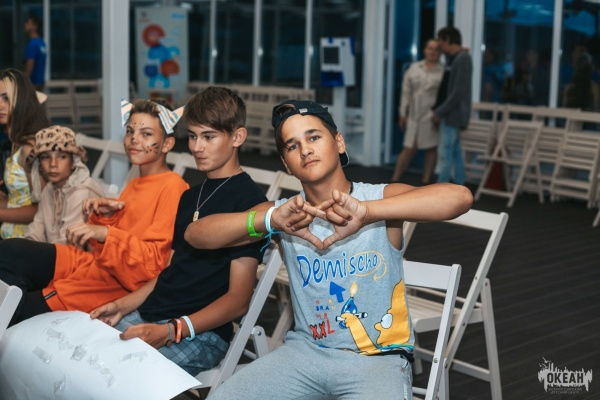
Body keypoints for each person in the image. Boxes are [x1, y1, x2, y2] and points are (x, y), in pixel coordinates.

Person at [185, 100, 473, 399]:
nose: (305, 150)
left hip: (377, 360)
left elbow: (459, 198)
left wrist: (368, 212)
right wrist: (270, 220)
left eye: (313, 137)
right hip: (304, 353)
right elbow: (196, 235)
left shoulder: (378, 198)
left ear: (339, 142)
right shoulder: (285, 213)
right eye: (292, 145)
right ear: (286, 163)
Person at [90, 87, 268, 376]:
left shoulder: (250, 204)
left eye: (208, 137)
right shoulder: (189, 196)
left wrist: (172, 330)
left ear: (237, 137)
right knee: (86, 356)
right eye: (194, 136)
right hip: (152, 314)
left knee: (115, 374)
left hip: (201, 334)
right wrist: (121, 305)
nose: (197, 147)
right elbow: (170, 271)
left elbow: (237, 301)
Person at [0, 98, 189, 326]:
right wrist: (105, 218)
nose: (134, 139)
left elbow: (151, 268)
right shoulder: (135, 182)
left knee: (16, 308)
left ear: (167, 144)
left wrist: (105, 233)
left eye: (146, 134)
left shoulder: (173, 187)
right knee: (10, 251)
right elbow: (109, 246)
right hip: (92, 264)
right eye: (130, 132)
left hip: (109, 284)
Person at [24, 125, 105, 244]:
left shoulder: (81, 190)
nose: (53, 164)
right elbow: (37, 228)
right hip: (56, 250)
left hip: (82, 253)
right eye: (45, 157)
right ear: (39, 165)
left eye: (62, 157)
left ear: (73, 162)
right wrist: (26, 245)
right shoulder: (49, 189)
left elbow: (69, 240)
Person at [0, 68, 49, 239]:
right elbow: (19, 202)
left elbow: (43, 210)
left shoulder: (30, 147)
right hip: (11, 239)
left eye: (6, 98)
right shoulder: (17, 143)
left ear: (21, 101)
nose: (0, 105)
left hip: (27, 243)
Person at [391, 39, 443, 184]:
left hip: (431, 115)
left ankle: (426, 180)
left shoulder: (443, 71)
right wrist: (402, 113)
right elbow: (406, 93)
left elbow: (445, 96)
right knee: (409, 147)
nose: (432, 52)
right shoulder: (414, 68)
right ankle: (394, 179)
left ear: (440, 53)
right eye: (430, 48)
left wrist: (439, 114)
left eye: (436, 49)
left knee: (431, 147)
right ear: (425, 50)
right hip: (414, 115)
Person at [431, 26, 472, 185]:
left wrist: (440, 111)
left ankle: (441, 188)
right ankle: (460, 185)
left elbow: (458, 92)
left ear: (447, 40)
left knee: (446, 153)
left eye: (441, 41)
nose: (440, 46)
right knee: (455, 153)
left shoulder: (462, 59)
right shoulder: (454, 58)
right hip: (450, 114)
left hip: (452, 115)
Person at [24, 15, 47, 91]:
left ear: (35, 26)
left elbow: (30, 64)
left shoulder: (33, 44)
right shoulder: (41, 43)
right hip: (40, 83)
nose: (25, 25)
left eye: (28, 23)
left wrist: (24, 81)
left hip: (33, 83)